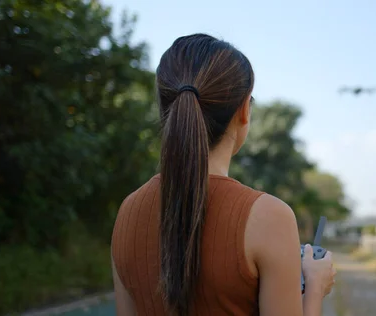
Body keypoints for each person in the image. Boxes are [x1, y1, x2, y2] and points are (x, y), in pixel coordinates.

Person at [110, 33, 336, 316]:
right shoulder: (269, 216)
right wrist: (314, 289)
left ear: (165, 108)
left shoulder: (128, 212)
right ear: (244, 110)